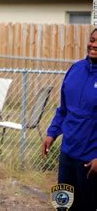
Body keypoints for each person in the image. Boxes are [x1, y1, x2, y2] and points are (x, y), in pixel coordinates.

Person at [42, 28, 97, 210]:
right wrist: (52, 133)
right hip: (67, 153)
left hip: (91, 160)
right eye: (92, 40)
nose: (93, 45)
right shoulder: (75, 69)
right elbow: (64, 109)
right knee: (62, 203)